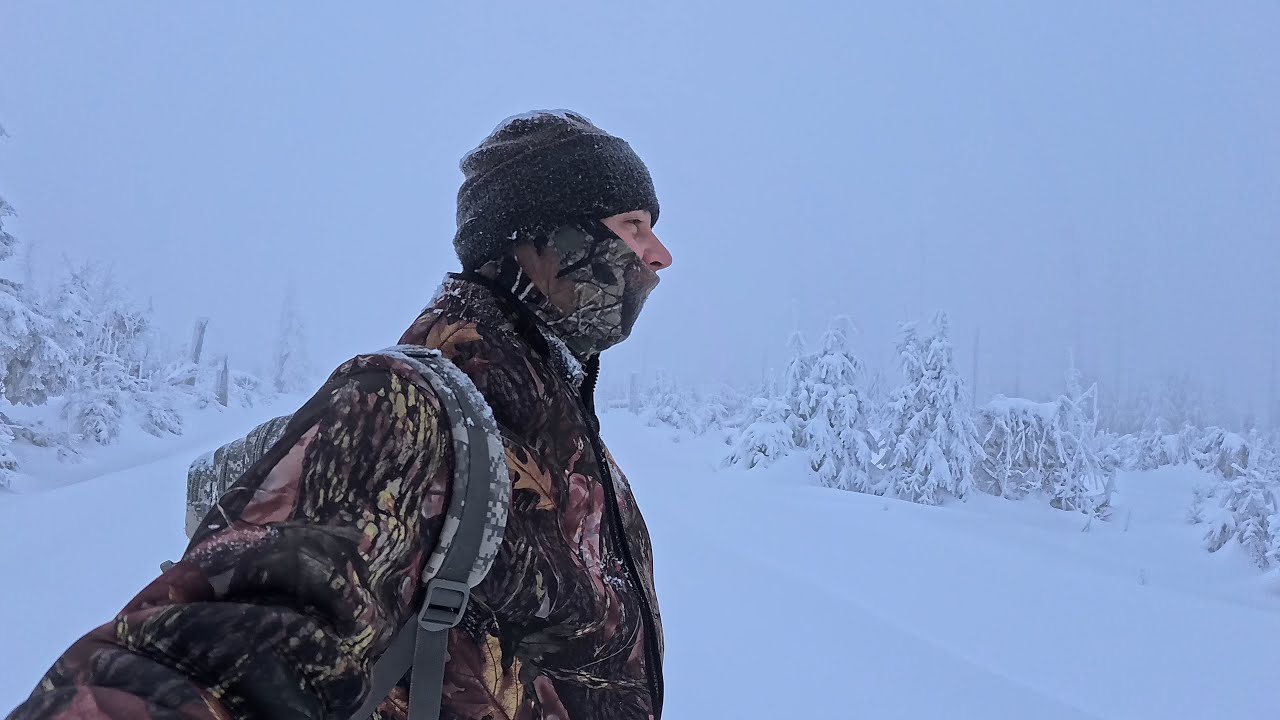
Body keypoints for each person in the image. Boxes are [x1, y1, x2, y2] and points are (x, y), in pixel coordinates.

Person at [7, 110, 673, 720]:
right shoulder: (404, 406)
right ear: (542, 236)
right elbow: (234, 652)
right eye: (633, 227)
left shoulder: (570, 446)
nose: (659, 256)